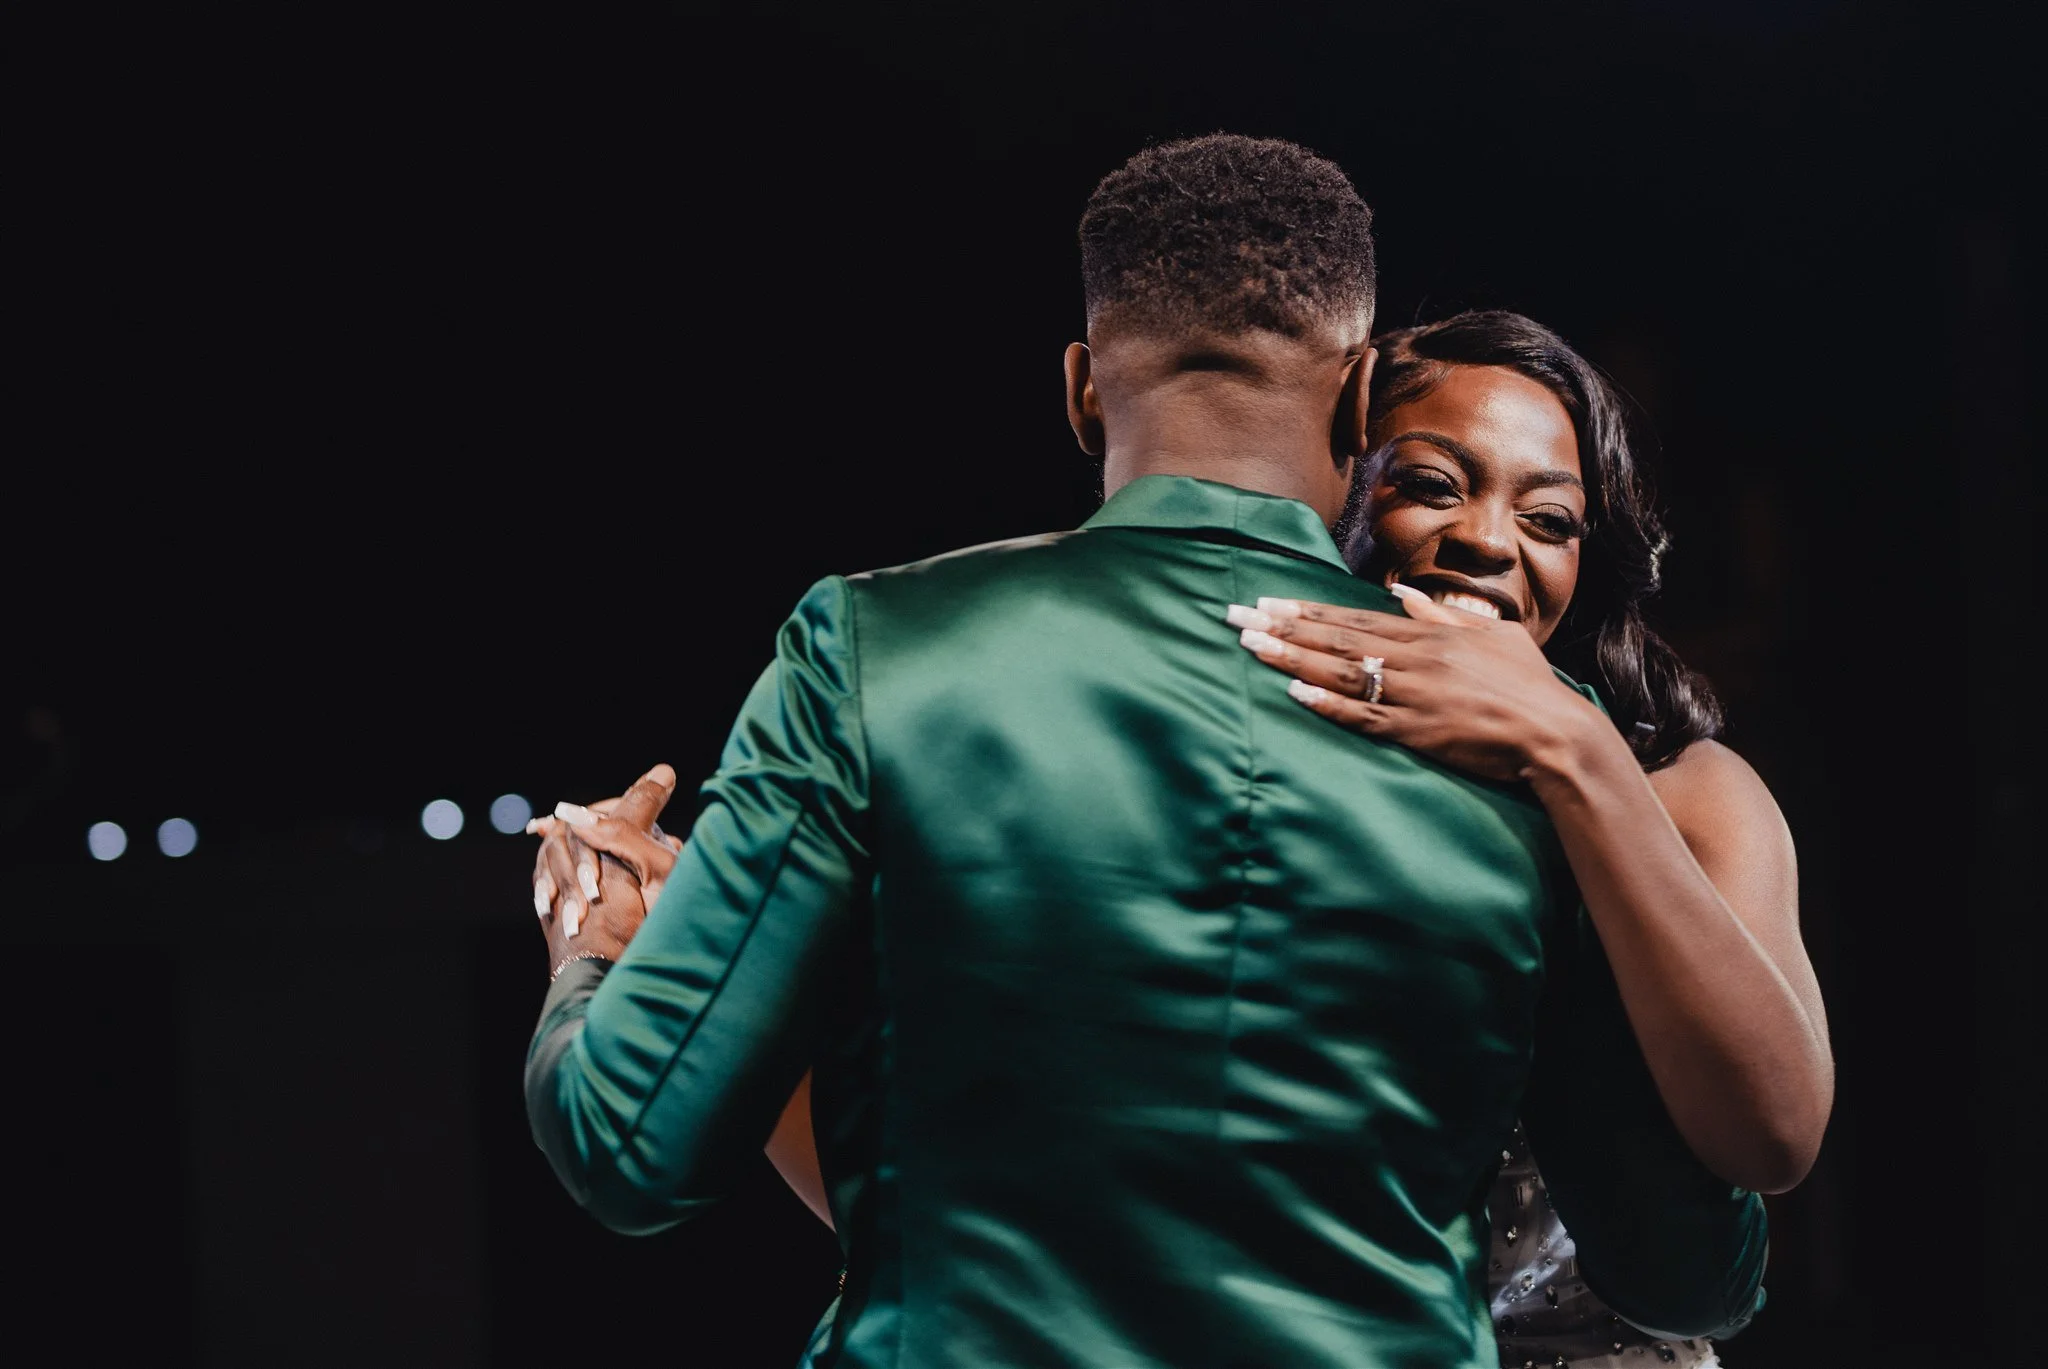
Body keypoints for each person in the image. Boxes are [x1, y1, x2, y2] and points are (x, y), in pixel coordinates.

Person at [522, 136, 1767, 1369]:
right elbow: (1683, 1273)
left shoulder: (869, 649)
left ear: (1077, 389)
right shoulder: (1520, 738)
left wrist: (594, 945)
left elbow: (631, 1149)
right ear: (1355, 396)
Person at [735, 310, 1829, 1369]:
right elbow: (977, 1201)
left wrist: (1574, 757)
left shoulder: (1679, 791)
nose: (1489, 542)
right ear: (1332, 479)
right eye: (1429, 485)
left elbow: (1773, 1133)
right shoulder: (1196, 796)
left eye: (1548, 520)